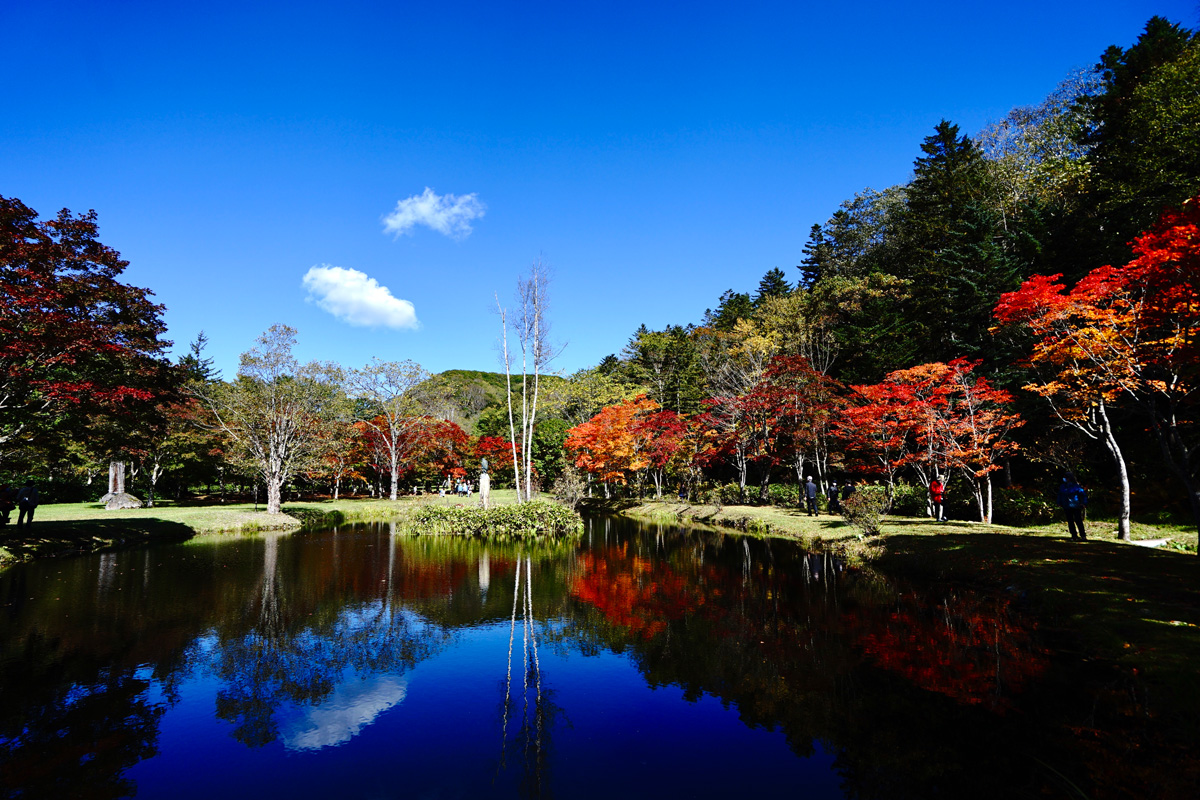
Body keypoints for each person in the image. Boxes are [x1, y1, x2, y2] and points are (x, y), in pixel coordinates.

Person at [1057, 473, 1088, 540]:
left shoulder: (1076, 486)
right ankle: (1074, 535)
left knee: (1078, 521)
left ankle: (1083, 535)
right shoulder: (1063, 486)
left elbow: (1083, 495)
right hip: (1066, 505)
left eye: (1066, 477)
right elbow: (1060, 495)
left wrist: (1084, 503)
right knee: (1070, 521)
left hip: (1076, 506)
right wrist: (1059, 502)